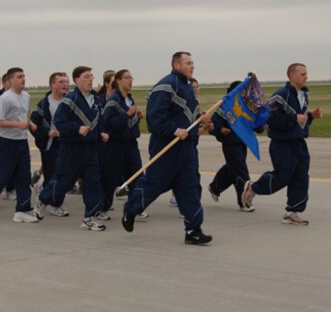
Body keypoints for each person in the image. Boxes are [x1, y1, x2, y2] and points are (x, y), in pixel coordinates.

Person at [121, 52, 213, 244]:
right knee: (155, 184)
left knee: (190, 187)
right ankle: (131, 208)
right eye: (188, 63)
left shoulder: (188, 88)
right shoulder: (166, 85)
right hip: (166, 146)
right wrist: (174, 130)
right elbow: (154, 119)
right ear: (177, 65)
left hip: (186, 148)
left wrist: (200, 120)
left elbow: (189, 120)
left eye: (193, 63)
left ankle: (193, 230)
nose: (192, 66)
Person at [242, 63, 323, 225]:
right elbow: (270, 119)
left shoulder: (304, 95)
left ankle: (292, 212)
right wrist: (294, 118)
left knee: (301, 177)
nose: (306, 77)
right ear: (292, 76)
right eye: (302, 74)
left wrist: (311, 116)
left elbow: (300, 120)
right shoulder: (280, 95)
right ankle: (253, 187)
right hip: (282, 144)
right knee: (283, 177)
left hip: (299, 143)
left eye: (306, 74)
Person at [34, 66, 109, 231]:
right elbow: (60, 122)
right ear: (77, 80)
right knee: (63, 182)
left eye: (91, 76)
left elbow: (100, 120)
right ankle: (43, 199)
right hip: (71, 149)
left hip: (90, 149)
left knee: (93, 183)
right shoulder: (70, 99)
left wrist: (102, 132)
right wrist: (76, 128)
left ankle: (89, 218)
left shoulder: (96, 100)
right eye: (86, 76)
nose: (90, 79)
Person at [0, 67, 38, 222]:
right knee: (0, 178)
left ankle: (21, 211)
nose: (23, 79)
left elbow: (22, 116)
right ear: (10, 80)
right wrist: (18, 125)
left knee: (24, 177)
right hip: (5, 142)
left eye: (24, 76)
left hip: (21, 142)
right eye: (19, 76)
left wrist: (30, 123)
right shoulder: (6, 98)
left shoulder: (26, 96)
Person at [101, 70, 147, 216]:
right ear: (118, 81)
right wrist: (127, 115)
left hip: (131, 144)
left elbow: (127, 123)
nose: (130, 81)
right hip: (116, 145)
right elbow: (109, 123)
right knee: (111, 177)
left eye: (131, 78)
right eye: (127, 78)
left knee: (137, 175)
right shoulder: (113, 100)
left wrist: (136, 118)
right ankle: (103, 208)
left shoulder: (130, 99)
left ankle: (135, 207)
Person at [207, 81, 254, 211]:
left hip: (242, 142)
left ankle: (215, 187)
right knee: (240, 170)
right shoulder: (224, 106)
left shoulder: (246, 106)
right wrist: (221, 129)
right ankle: (243, 200)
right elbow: (214, 123)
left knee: (232, 168)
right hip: (230, 143)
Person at [30, 72, 69, 217]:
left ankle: (43, 190)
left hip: (68, 142)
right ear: (53, 85)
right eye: (61, 82)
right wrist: (47, 132)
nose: (65, 84)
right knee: (53, 173)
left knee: (66, 174)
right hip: (51, 144)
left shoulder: (70, 101)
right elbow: (33, 125)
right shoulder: (43, 104)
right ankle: (54, 204)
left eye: (66, 81)